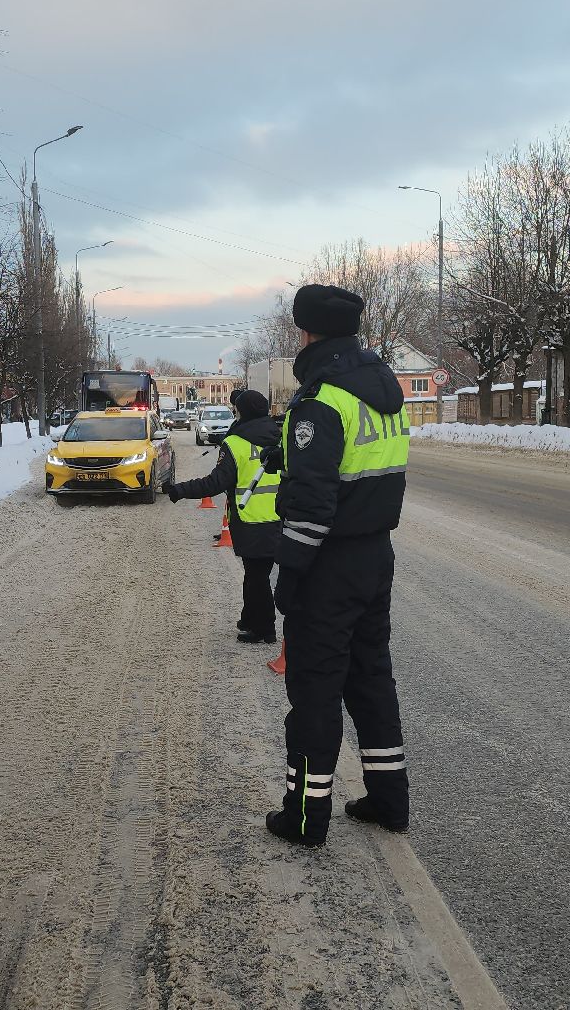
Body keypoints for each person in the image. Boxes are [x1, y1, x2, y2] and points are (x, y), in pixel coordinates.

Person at [266, 283, 411, 849]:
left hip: (327, 562)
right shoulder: (382, 389)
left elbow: (312, 504)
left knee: (315, 689)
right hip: (376, 555)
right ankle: (388, 799)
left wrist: (290, 575)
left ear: (306, 333)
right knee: (371, 678)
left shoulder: (321, 399)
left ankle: (305, 816)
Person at [165, 389, 283, 643]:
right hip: (280, 517)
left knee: (257, 577)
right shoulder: (280, 437)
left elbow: (214, 483)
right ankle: (250, 618)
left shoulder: (235, 443)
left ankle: (264, 629)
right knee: (256, 574)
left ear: (244, 413)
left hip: (251, 519)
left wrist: (179, 490)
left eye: (237, 410)